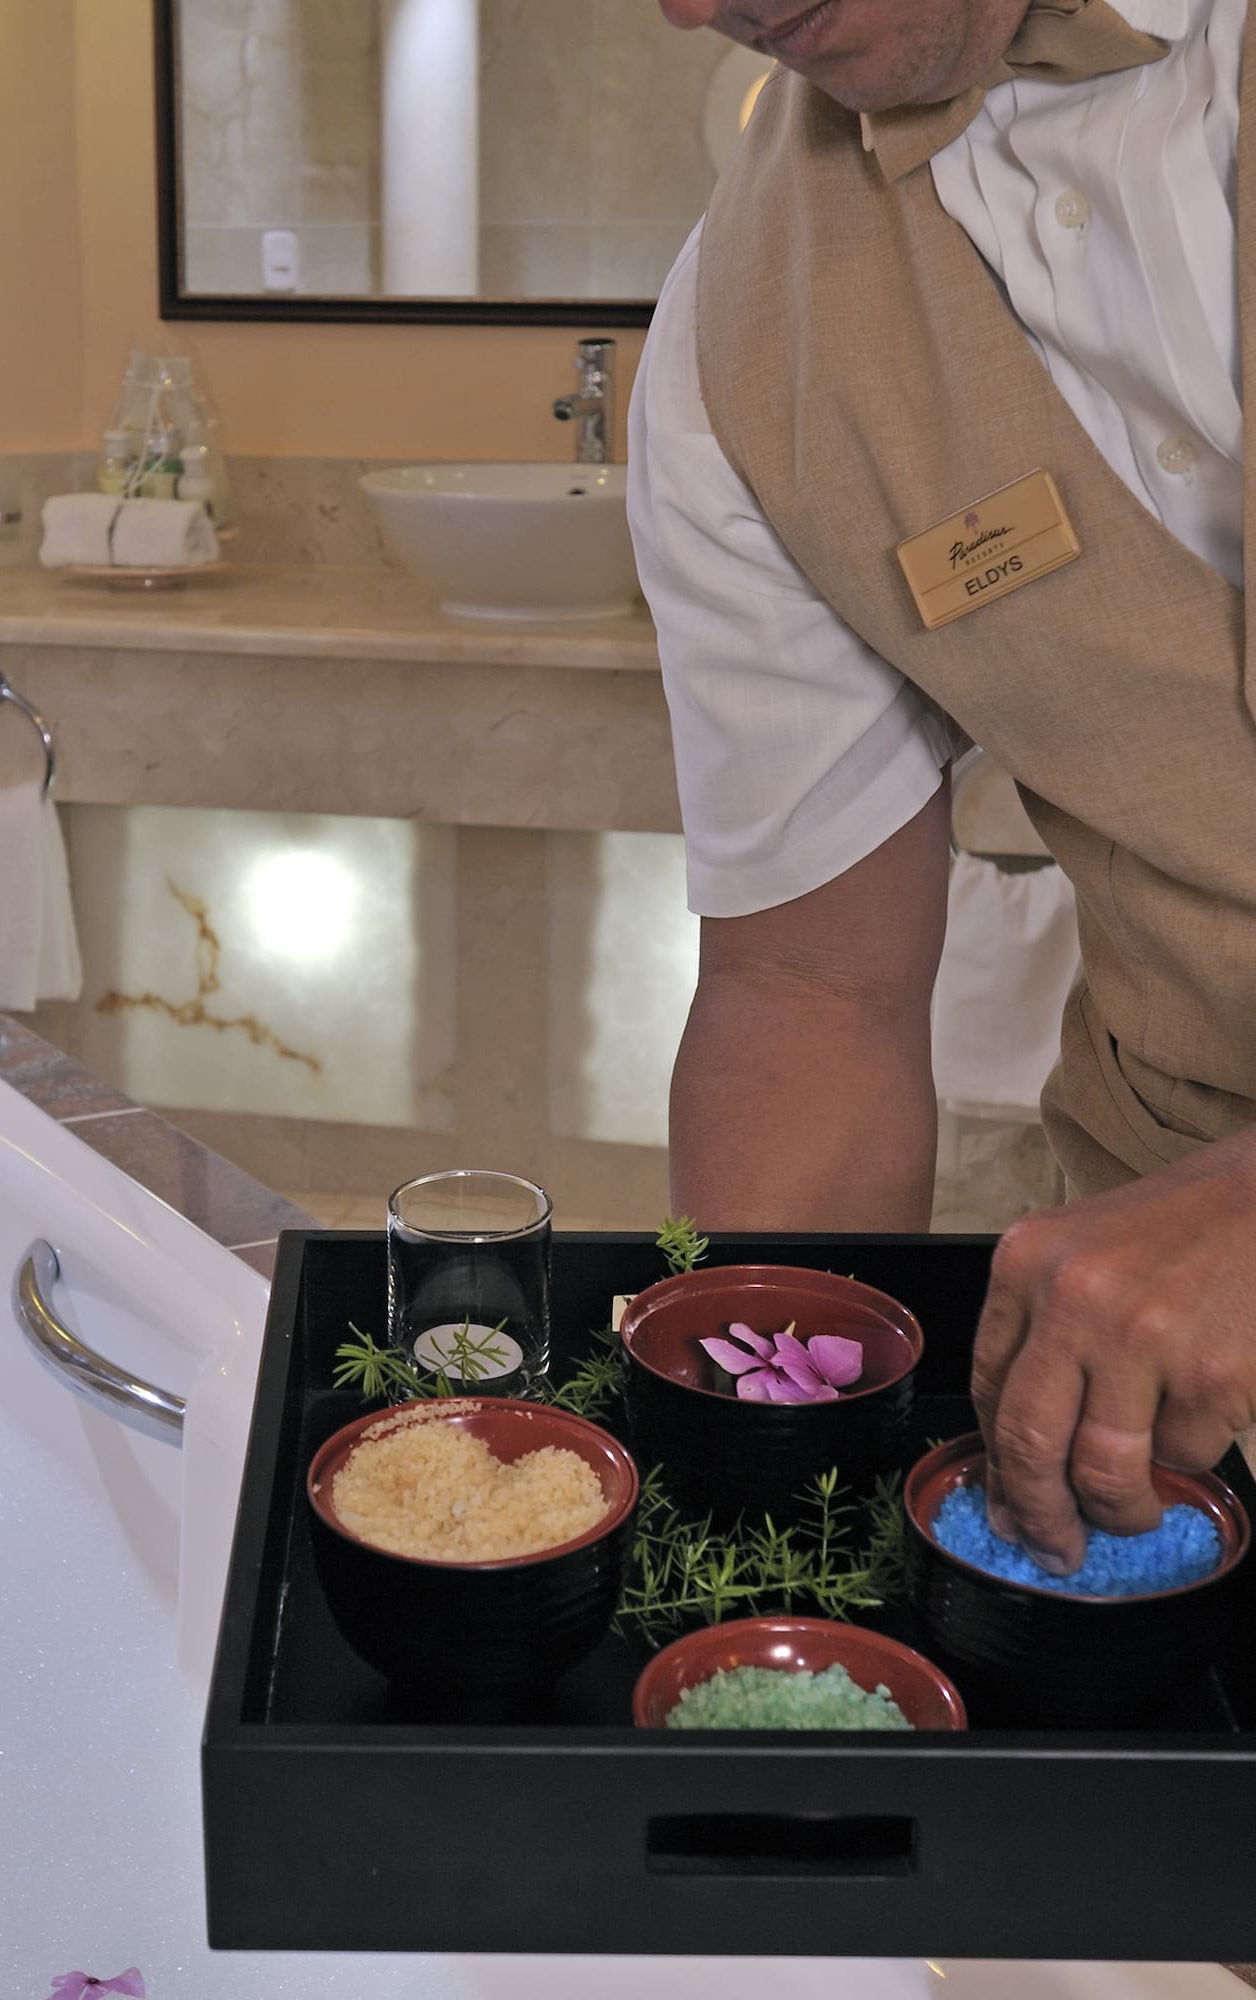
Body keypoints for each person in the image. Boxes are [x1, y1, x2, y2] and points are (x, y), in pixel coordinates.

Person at [628, 0, 1256, 1577]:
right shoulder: (743, 340)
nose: (692, 6)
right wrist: (764, 1516)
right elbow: (811, 996)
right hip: (1163, 1405)